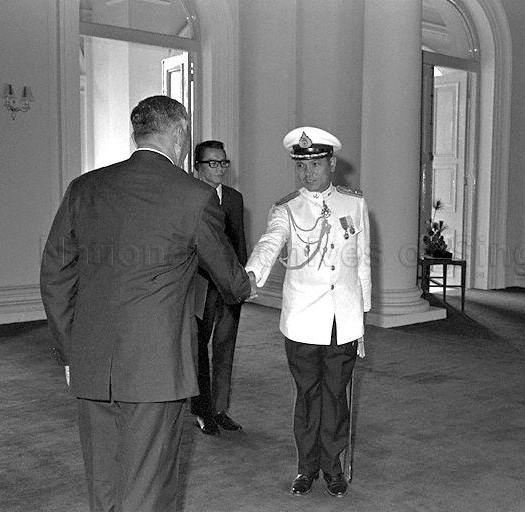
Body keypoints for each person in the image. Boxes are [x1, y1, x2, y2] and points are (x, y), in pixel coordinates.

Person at [40, 95, 255, 512]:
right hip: (155, 370)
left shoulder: (85, 188)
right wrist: (248, 282)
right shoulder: (194, 196)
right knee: (149, 485)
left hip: (90, 363)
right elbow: (230, 279)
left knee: (103, 484)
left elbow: (54, 273)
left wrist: (70, 351)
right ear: (177, 133)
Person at [245, 126, 371, 498]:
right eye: (301, 166)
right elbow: (271, 242)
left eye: (315, 164)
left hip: (343, 319)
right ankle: (305, 467)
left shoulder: (354, 203)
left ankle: (333, 468)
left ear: (331, 163)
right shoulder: (286, 207)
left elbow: (362, 262)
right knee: (307, 396)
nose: (308, 173)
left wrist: (361, 318)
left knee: (335, 395)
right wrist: (253, 271)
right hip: (301, 320)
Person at [191, 140, 247, 435]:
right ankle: (201, 409)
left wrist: (242, 283)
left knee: (225, 347)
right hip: (199, 286)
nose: (220, 168)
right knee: (198, 347)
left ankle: (219, 408)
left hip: (228, 286)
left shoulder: (235, 199)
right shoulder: (190, 196)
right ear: (197, 167)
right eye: (212, 163)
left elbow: (239, 244)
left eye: (223, 162)